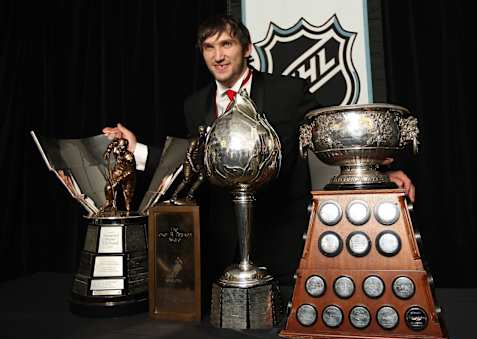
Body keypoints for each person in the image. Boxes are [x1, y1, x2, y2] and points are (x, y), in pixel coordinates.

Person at [103, 15, 415, 309]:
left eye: (227, 44)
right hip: (222, 250)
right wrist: (137, 149)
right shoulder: (195, 104)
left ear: (247, 48)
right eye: (209, 47)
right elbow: (191, 161)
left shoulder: (288, 91)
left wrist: (379, 171)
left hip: (281, 244)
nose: (218, 56)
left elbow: (327, 136)